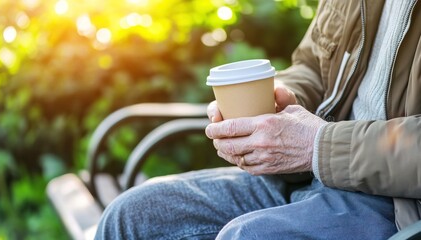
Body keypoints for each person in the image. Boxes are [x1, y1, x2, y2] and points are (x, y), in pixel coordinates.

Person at [95, 0, 421, 239]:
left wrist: (320, 146)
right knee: (132, 216)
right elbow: (312, 64)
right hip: (314, 175)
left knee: (248, 236)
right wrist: (284, 99)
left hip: (398, 207)